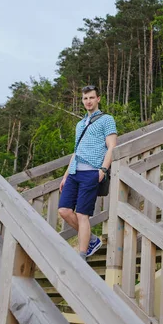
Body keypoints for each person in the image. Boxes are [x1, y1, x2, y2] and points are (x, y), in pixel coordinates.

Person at [58, 85, 117, 261]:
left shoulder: (107, 120)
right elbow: (76, 151)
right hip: (75, 172)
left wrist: (103, 170)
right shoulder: (79, 124)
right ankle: (91, 239)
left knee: (83, 215)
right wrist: (66, 174)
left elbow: (112, 147)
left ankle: (82, 256)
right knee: (64, 210)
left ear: (98, 99)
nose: (88, 101)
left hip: (92, 172)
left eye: (91, 97)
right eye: (85, 98)